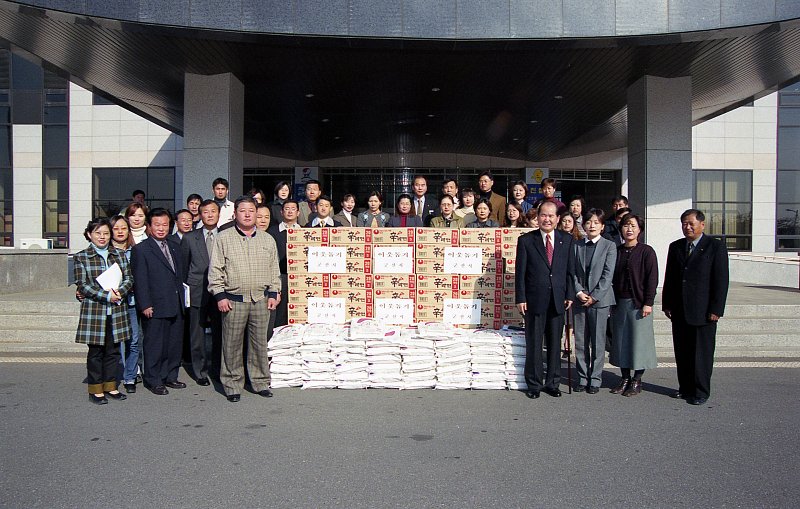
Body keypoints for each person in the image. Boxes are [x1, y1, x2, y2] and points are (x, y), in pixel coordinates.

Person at [208, 196, 282, 402]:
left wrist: (274, 292)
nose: (248, 214)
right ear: (235, 214)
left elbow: (274, 270)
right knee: (231, 344)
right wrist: (220, 295)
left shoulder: (267, 239)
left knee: (259, 343)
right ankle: (232, 384)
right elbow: (215, 269)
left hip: (260, 299)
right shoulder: (224, 238)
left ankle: (260, 381)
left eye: (252, 210)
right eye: (243, 210)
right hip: (233, 300)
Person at [662, 209, 729, 406]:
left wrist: (716, 309)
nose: (687, 227)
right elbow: (670, 278)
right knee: (682, 351)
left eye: (691, 223)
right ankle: (685, 388)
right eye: (684, 223)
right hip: (680, 309)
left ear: (702, 225)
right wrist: (667, 304)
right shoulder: (676, 247)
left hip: (704, 311)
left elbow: (721, 280)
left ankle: (701, 391)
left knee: (702, 354)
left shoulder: (715, 247)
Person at [515, 201, 575, 399]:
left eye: (551, 216)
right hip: (534, 299)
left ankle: (552, 383)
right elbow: (520, 273)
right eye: (543, 215)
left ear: (558, 219)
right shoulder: (526, 240)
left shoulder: (566, 240)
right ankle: (533, 384)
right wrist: (521, 297)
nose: (547, 219)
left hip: (558, 299)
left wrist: (569, 294)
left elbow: (569, 271)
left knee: (554, 344)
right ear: (537, 217)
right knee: (534, 343)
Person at [74, 218, 134, 405]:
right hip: (95, 312)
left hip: (116, 311)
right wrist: (106, 296)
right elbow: (83, 285)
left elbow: (129, 278)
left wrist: (119, 292)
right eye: (98, 233)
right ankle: (96, 388)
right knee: (96, 352)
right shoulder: (81, 257)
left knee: (114, 351)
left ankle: (111, 386)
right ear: (89, 235)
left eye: (106, 233)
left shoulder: (118, 254)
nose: (102, 237)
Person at [131, 208, 187, 396]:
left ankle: (170, 376)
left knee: (173, 344)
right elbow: (140, 280)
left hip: (176, 302)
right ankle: (153, 379)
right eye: (157, 225)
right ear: (149, 227)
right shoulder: (141, 249)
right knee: (155, 345)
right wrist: (145, 304)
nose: (161, 228)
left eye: (165, 224)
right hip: (154, 305)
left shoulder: (174, 245)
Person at [608, 214, 658, 398]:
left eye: (633, 226)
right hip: (620, 303)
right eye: (626, 225)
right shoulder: (617, 250)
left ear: (640, 230)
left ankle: (637, 379)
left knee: (639, 343)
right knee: (621, 342)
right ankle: (624, 378)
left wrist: (648, 302)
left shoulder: (646, 251)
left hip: (639, 304)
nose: (629, 229)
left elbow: (652, 279)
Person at [570, 209, 617, 394]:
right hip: (580, 299)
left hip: (600, 300)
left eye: (596, 222)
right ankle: (582, 377)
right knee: (581, 342)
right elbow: (572, 272)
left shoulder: (609, 246)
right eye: (589, 222)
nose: (592, 225)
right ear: (583, 225)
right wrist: (579, 291)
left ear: (602, 226)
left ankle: (595, 378)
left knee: (597, 342)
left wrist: (594, 295)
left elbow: (608, 274)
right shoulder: (577, 245)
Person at [180, 200, 222, 386]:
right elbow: (183, 266)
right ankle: (200, 371)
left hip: (222, 291)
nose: (210, 215)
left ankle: (218, 369)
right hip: (198, 290)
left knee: (220, 332)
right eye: (206, 212)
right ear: (200, 214)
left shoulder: (226, 235)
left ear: (219, 214)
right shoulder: (190, 238)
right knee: (197, 334)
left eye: (213, 211)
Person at [109, 215, 142, 393]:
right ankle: (112, 376)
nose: (120, 232)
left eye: (124, 228)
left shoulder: (135, 250)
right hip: (111, 303)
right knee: (113, 342)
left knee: (133, 341)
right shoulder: (105, 252)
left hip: (131, 302)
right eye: (116, 229)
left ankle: (130, 376)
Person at [267, 200, 300, 329]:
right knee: (280, 314)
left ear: (298, 212)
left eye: (293, 208)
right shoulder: (272, 232)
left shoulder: (305, 231)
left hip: (299, 276)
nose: (290, 211)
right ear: (281, 212)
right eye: (287, 208)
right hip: (281, 276)